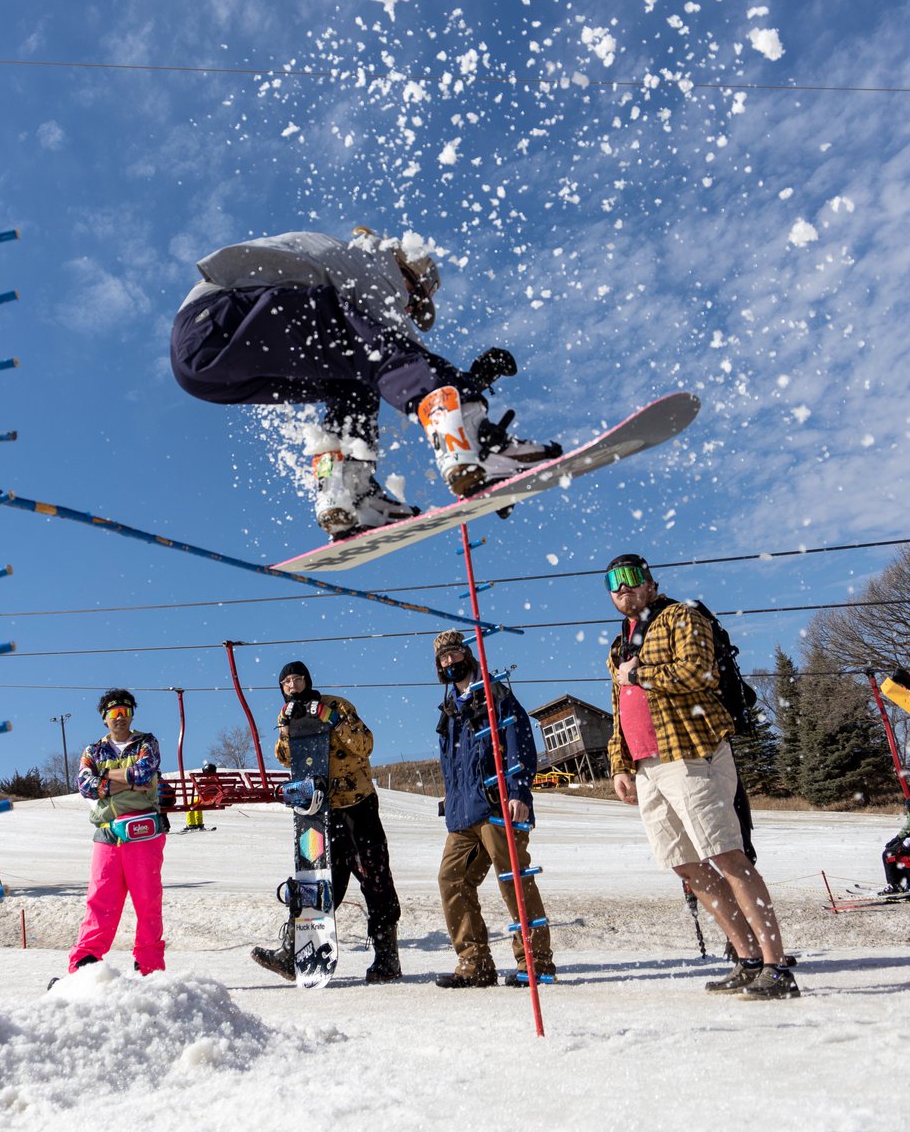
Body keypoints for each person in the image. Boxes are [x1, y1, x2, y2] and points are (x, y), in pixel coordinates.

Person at [170, 227, 560, 540]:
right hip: (224, 315)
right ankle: (475, 446)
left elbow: (389, 361)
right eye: (413, 300)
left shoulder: (349, 263)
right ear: (406, 272)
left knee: (353, 383)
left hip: (202, 366)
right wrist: (467, 388)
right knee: (374, 352)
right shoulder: (374, 266)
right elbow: (395, 351)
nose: (408, 309)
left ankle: (343, 493)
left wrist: (463, 381)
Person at [604, 553, 799, 1000]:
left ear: (651, 584)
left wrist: (642, 674)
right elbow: (619, 711)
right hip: (647, 765)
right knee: (686, 864)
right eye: (612, 583)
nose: (622, 589)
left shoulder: (680, 616)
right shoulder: (618, 646)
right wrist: (619, 763)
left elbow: (699, 671)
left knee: (727, 855)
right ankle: (747, 959)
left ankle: (776, 966)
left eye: (631, 578)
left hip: (692, 752)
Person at [251, 660, 402, 983]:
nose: (292, 685)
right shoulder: (285, 713)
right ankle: (296, 953)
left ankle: (387, 958)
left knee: (374, 880)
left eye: (297, 678)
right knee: (315, 882)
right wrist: (285, 732)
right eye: (286, 682)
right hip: (318, 814)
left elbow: (365, 745)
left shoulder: (336, 705)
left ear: (308, 680)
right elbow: (286, 757)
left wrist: (331, 720)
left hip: (357, 806)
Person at [431, 630, 556, 988]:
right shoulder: (449, 709)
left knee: (513, 882)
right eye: (443, 658)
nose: (450, 662)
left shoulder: (494, 693)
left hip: (499, 805)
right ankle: (475, 963)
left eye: (455, 654)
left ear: (467, 655)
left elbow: (519, 741)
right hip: (463, 814)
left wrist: (518, 790)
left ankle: (536, 962)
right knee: (451, 880)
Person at [62, 689, 166, 978]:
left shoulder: (146, 742)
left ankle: (149, 967)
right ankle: (85, 963)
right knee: (100, 900)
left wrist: (106, 777)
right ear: (104, 718)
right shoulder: (93, 751)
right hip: (107, 833)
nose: (119, 718)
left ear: (132, 714)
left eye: (125, 712)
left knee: (147, 901)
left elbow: (144, 774)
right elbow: (85, 785)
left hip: (142, 832)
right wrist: (126, 781)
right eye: (113, 713)